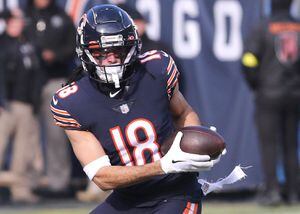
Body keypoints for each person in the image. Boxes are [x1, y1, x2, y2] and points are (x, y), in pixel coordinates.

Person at [50, 5, 222, 213]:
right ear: (85, 52)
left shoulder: (156, 69)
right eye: (101, 52)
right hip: (127, 198)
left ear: (132, 47)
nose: (111, 58)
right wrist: (163, 165)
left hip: (175, 192)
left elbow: (184, 113)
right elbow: (102, 177)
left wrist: (195, 146)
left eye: (118, 50)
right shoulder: (71, 102)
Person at [241, 0, 300, 205]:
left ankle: (272, 191)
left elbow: (248, 58)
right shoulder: (298, 26)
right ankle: (293, 194)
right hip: (294, 95)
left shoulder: (262, 26)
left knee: (269, 145)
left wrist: (255, 82)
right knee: (291, 145)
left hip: (268, 94)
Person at [24, 0, 76, 197]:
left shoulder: (61, 18)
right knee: (29, 135)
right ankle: (30, 182)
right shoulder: (25, 16)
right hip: (27, 83)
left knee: (56, 135)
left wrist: (55, 55)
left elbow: (72, 47)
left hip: (54, 79)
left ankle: (58, 183)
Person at [0, 8, 43, 204]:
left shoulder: (27, 44)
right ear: (7, 22)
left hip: (25, 104)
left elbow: (36, 73)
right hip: (5, 104)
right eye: (13, 21)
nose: (16, 25)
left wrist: (35, 101)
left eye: (19, 21)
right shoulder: (2, 43)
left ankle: (20, 190)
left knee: (23, 152)